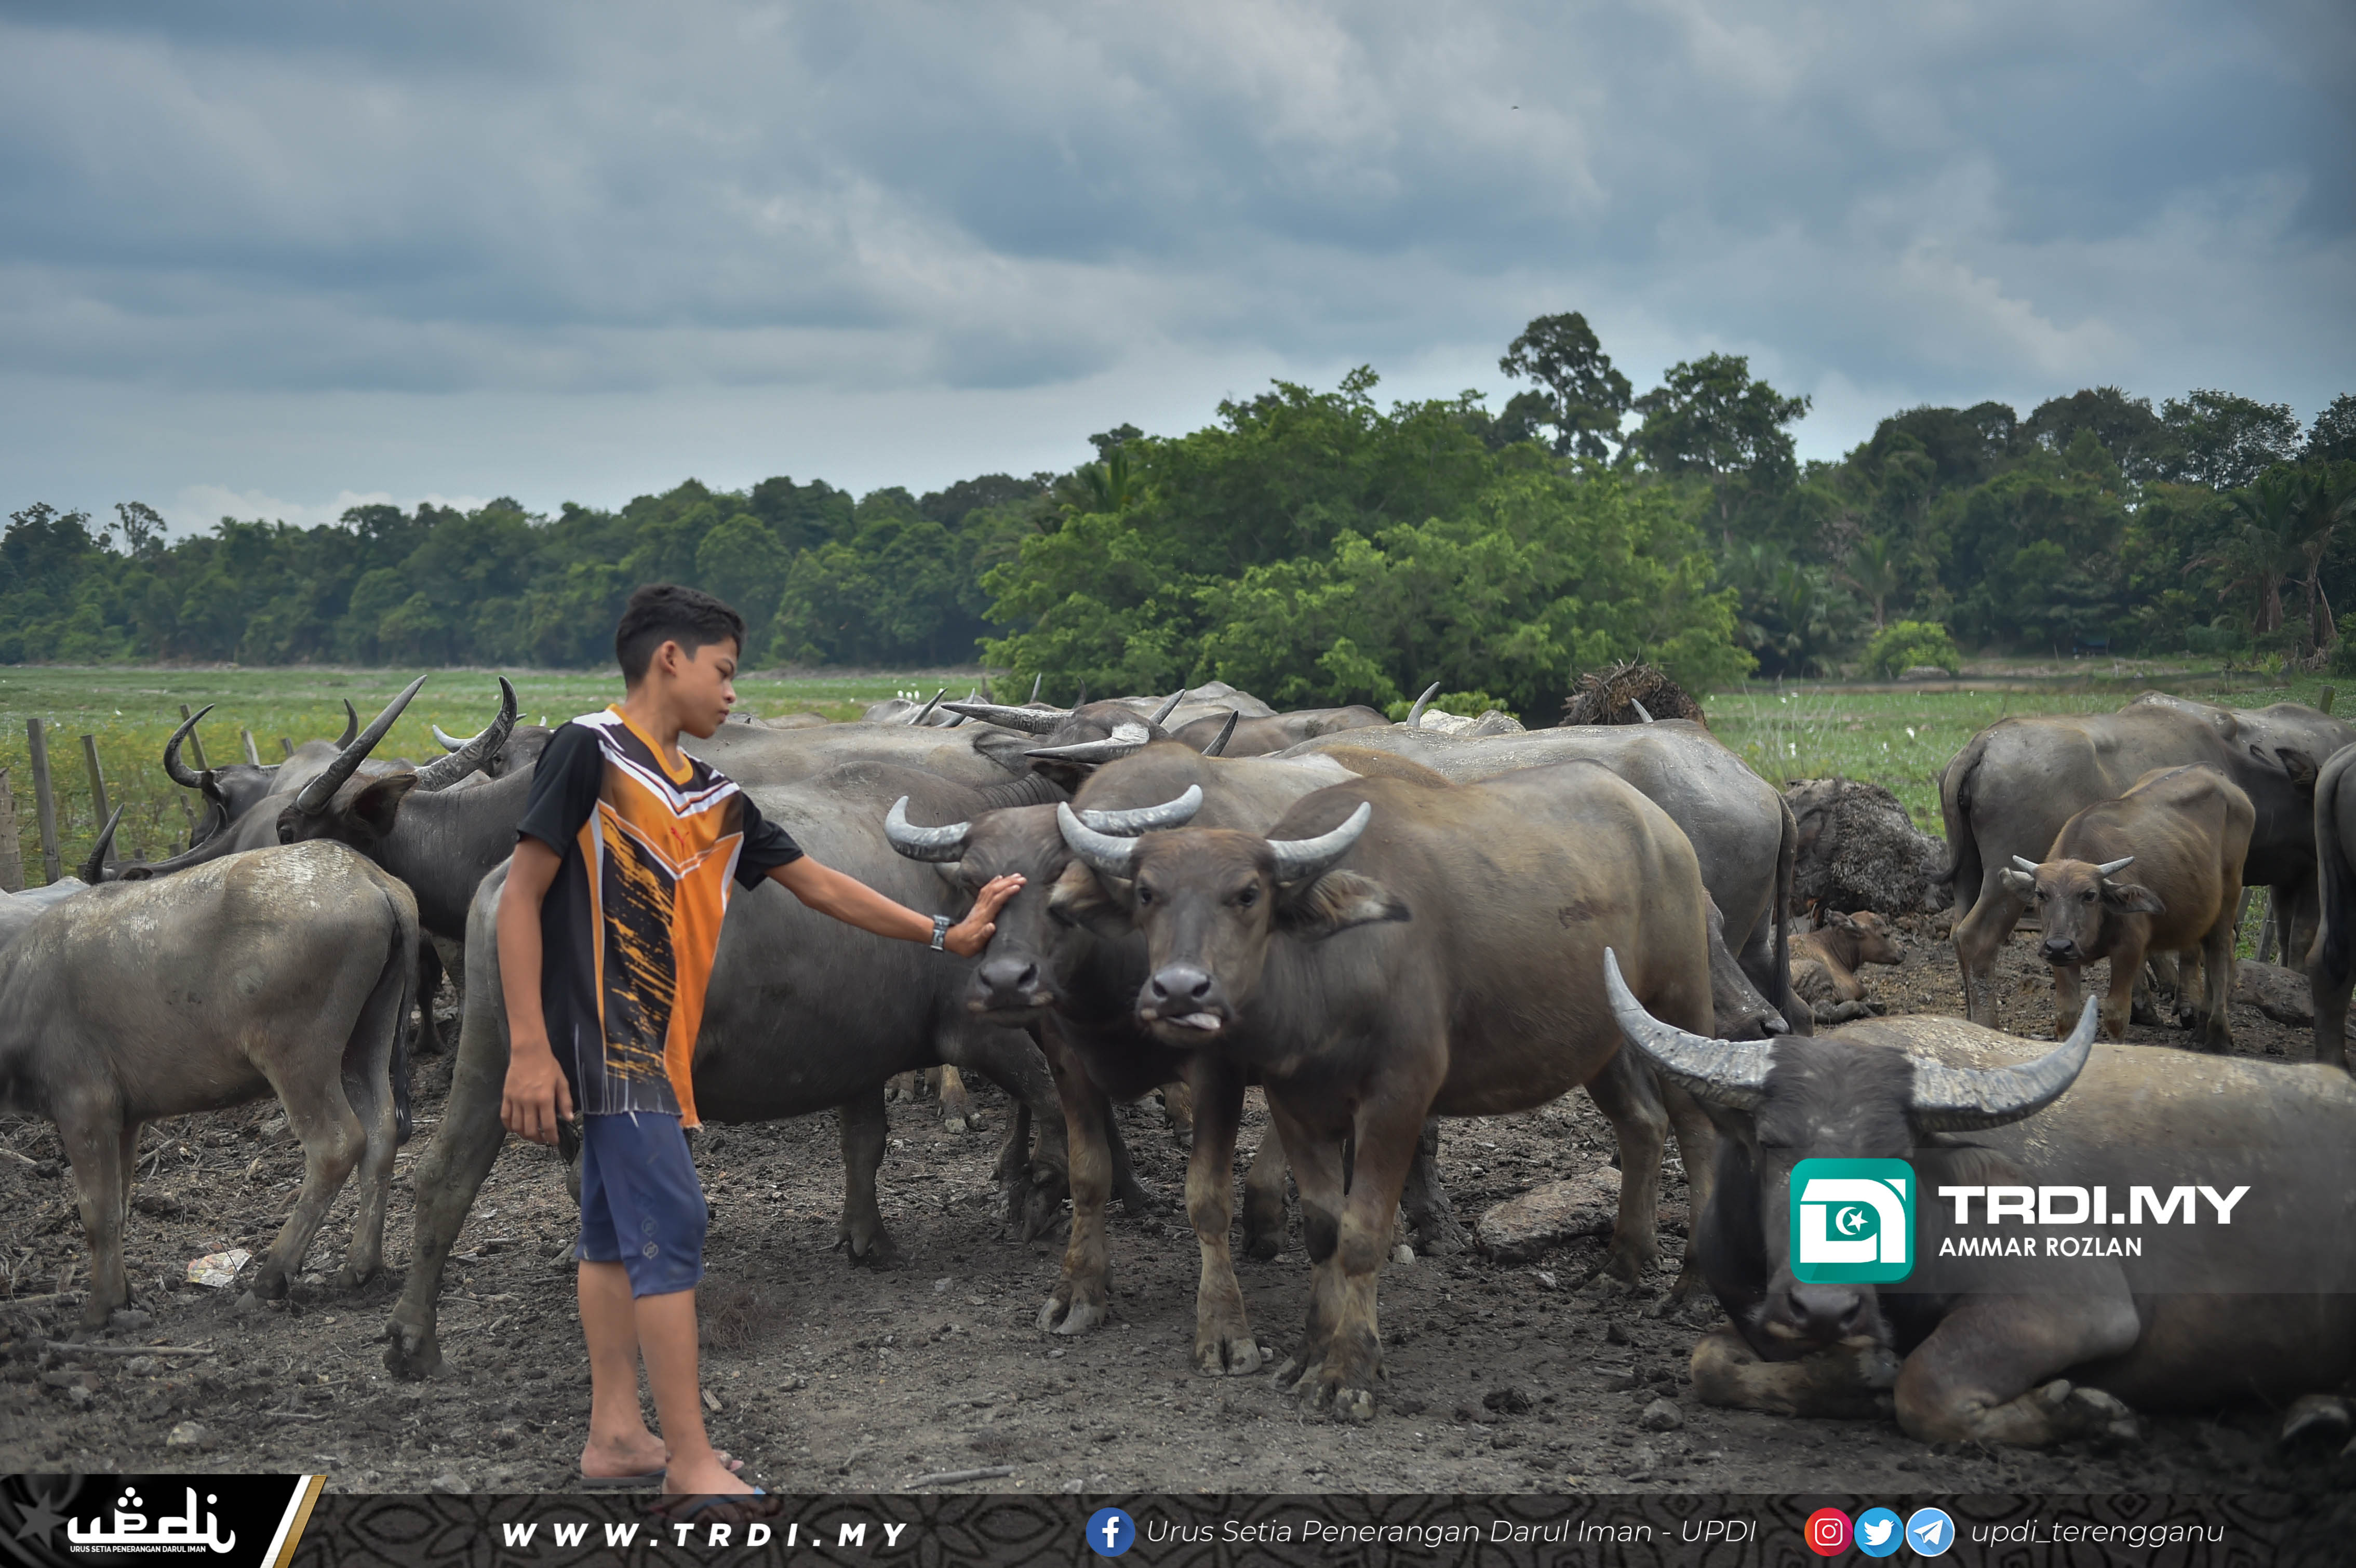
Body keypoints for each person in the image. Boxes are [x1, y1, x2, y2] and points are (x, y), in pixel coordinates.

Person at [497, 583, 1020, 1506]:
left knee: (612, 1236)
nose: (734, 693)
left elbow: (820, 885)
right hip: (609, 1036)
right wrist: (529, 1049)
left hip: (659, 1044)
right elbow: (520, 895)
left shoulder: (713, 794)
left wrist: (947, 934)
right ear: (670, 659)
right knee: (673, 1228)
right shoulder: (588, 750)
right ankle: (690, 1461)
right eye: (725, 671)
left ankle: (616, 1436)